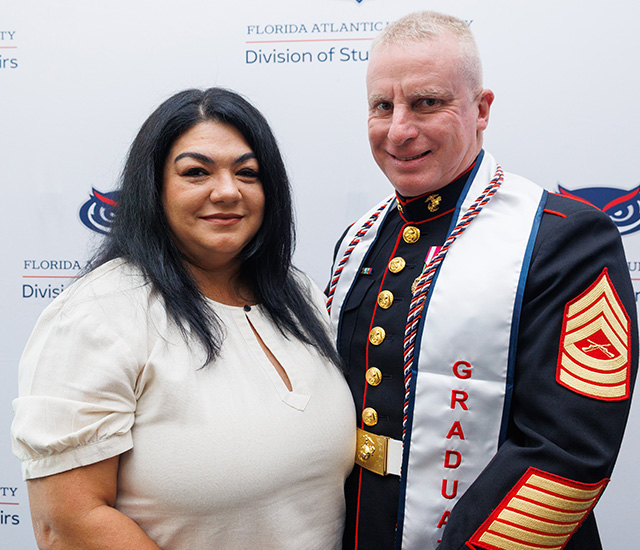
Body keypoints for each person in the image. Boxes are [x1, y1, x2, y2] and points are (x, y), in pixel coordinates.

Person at [326, 11, 638, 550]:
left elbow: (568, 454)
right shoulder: (360, 239)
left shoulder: (565, 240)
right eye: (383, 106)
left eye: (427, 102)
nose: (399, 129)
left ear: (481, 109)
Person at [11, 87, 355, 550]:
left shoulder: (299, 296)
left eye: (247, 173)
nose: (227, 191)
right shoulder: (98, 315)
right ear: (153, 188)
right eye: (196, 172)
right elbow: (69, 522)